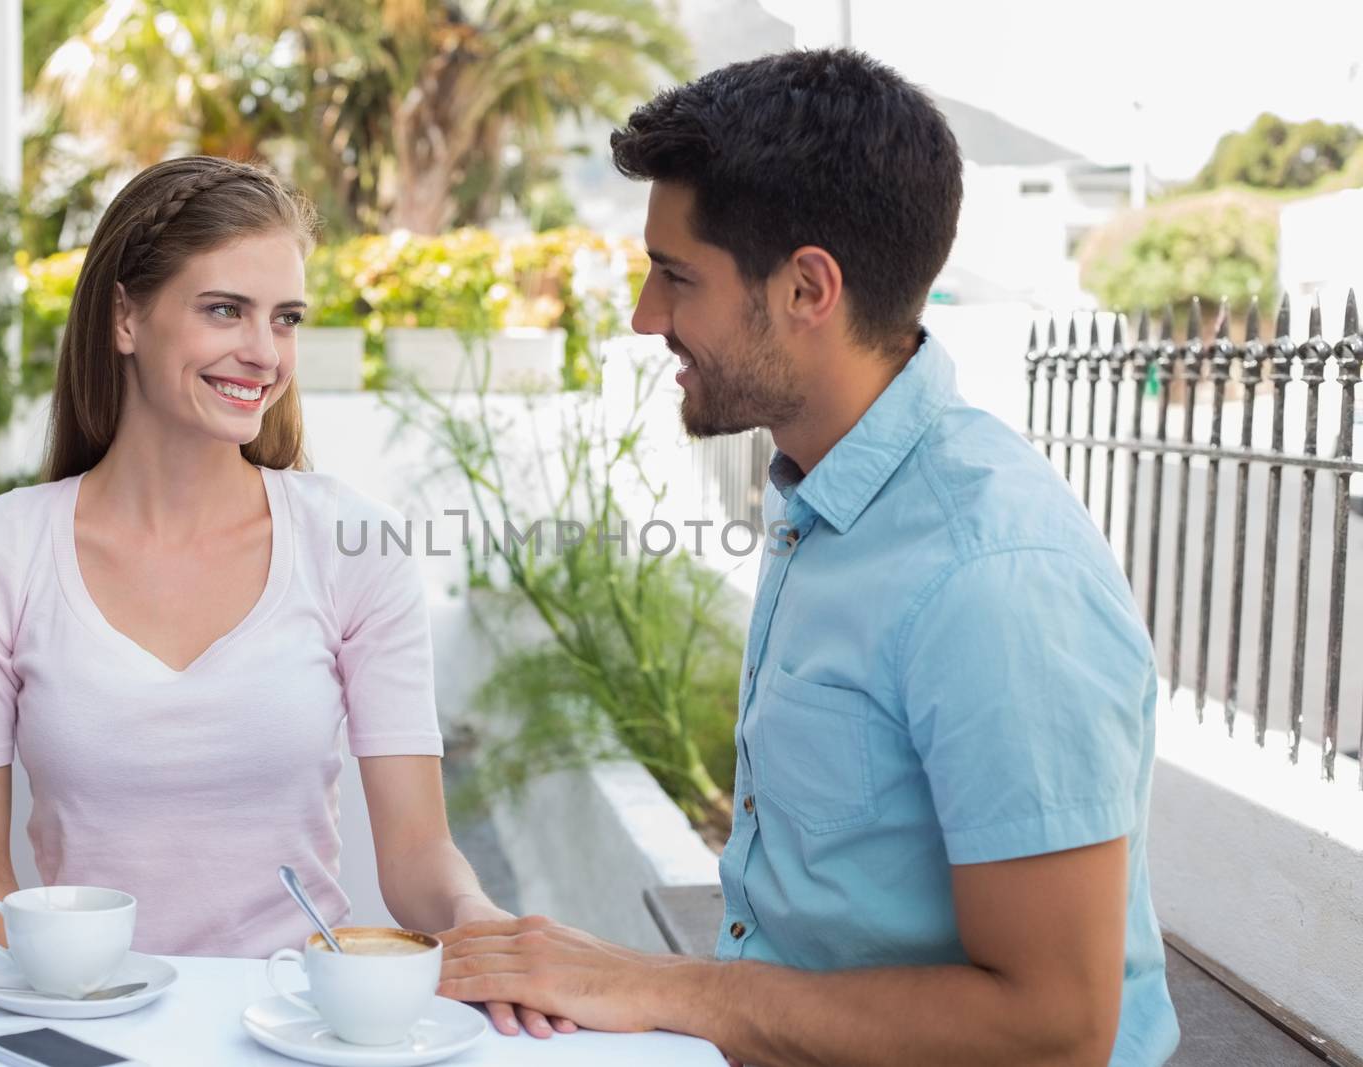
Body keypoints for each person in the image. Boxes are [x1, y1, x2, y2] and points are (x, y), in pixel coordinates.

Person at [435, 49, 1179, 1066]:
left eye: (674, 276)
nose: (647, 318)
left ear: (807, 287)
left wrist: (663, 985)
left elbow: (1053, 1026)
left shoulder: (992, 574)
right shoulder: (832, 495)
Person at [0, 156, 565, 1038]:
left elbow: (417, 852)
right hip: (84, 1027)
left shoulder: (354, 544)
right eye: (225, 309)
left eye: (286, 318)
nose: (264, 353)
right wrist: (65, 1021)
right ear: (124, 316)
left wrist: (479, 919)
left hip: (300, 1027)